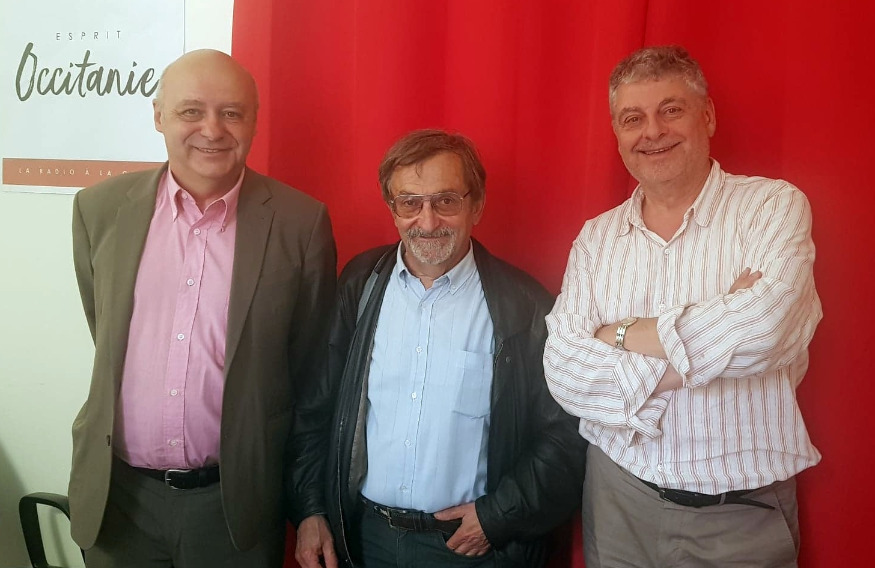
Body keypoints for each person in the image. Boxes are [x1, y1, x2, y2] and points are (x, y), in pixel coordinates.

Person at [543, 45, 822, 567]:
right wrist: (722, 321)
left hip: (739, 515)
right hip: (618, 500)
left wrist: (616, 334)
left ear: (707, 116)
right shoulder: (596, 238)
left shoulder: (772, 206)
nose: (652, 132)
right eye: (633, 118)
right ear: (617, 133)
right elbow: (563, 373)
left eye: (670, 109)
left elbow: (765, 329)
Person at [68, 49, 337, 567]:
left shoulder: (301, 224)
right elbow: (105, 330)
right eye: (191, 110)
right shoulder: (98, 209)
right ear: (158, 116)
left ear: (254, 121)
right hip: (117, 501)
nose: (212, 129)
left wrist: (309, 501)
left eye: (231, 112)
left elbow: (310, 374)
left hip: (233, 507)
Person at [294, 129, 586, 568]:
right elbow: (316, 408)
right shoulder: (360, 284)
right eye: (410, 202)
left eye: (446, 201)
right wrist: (311, 509)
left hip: (469, 549)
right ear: (392, 208)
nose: (427, 222)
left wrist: (497, 517)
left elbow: (565, 434)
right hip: (365, 540)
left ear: (477, 205)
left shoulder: (524, 305)